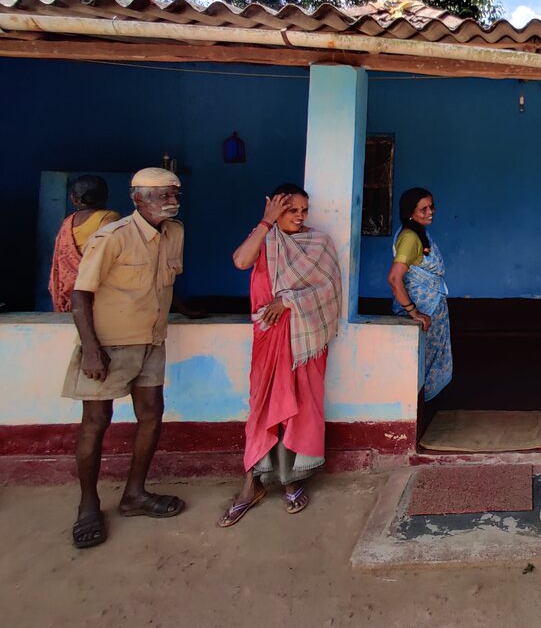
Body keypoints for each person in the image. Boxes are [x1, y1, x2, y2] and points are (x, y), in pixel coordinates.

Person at [63, 167, 188, 549]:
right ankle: (88, 506)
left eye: (173, 193)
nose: (171, 200)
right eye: (161, 194)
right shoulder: (113, 237)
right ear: (137, 198)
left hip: (152, 340)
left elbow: (166, 280)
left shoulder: (175, 232)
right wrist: (90, 349)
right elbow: (80, 295)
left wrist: (187, 309)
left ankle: (135, 494)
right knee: (96, 422)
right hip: (109, 345)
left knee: (151, 414)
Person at [218, 184, 341, 527]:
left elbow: (329, 287)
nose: (300, 216)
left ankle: (293, 478)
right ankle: (252, 483)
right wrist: (265, 222)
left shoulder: (319, 243)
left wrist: (287, 300)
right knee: (264, 404)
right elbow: (241, 261)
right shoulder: (266, 238)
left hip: (306, 339)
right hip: (270, 338)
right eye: (292, 210)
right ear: (274, 209)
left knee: (299, 405)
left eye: (304, 210)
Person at [387, 187, 451, 401]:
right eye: (423, 209)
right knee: (418, 365)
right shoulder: (409, 238)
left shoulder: (418, 234)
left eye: (431, 207)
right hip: (423, 310)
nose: (430, 212)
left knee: (426, 362)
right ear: (409, 212)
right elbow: (395, 279)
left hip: (431, 307)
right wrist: (413, 311)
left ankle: (422, 406)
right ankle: (415, 409)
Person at [49, 175, 121, 312]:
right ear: (107, 196)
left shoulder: (68, 221)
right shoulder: (110, 217)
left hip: (69, 291)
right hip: (92, 289)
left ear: (74, 199)